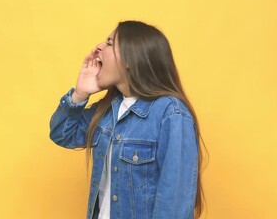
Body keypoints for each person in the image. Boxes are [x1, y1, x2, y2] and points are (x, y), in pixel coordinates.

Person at [49, 20, 206, 219]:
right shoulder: (108, 109)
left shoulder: (171, 114)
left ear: (131, 59)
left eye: (109, 43)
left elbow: (174, 205)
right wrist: (79, 95)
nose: (98, 47)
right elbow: (62, 134)